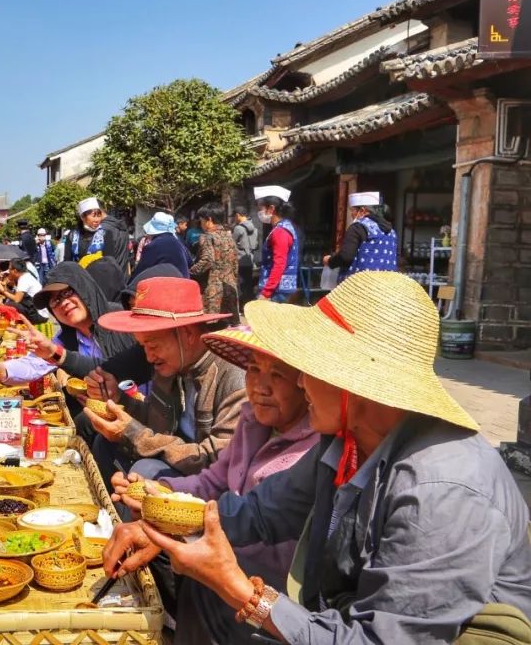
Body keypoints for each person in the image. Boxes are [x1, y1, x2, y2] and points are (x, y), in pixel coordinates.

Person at [104, 272, 531, 644]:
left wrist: (239, 589)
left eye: (307, 368)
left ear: (353, 383)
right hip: (340, 610)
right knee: (205, 594)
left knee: (221, 596)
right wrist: (160, 524)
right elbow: (260, 512)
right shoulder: (345, 442)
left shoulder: (440, 492)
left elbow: (378, 639)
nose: (301, 382)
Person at [111, 326, 317, 640]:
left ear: (306, 385)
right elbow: (212, 481)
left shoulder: (312, 450)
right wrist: (162, 493)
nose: (260, 387)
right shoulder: (253, 422)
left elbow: (257, 523)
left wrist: (175, 525)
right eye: (253, 369)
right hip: (220, 540)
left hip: (266, 581)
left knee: (182, 563)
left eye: (277, 375)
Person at [86, 277, 245, 482]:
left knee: (146, 470)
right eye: (144, 347)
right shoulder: (172, 366)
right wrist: (118, 399)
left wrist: (133, 434)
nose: (149, 357)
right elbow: (155, 419)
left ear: (187, 334)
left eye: (153, 346)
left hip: (211, 483)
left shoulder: (233, 376)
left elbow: (218, 460)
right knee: (104, 444)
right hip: (176, 458)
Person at [0, 262, 135, 388]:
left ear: (84, 289)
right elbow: (34, 364)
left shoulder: (122, 321)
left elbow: (123, 370)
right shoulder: (66, 337)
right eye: (55, 301)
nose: (64, 303)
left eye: (67, 293)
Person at [323, 191, 398, 282]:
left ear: (362, 211)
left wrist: (330, 261)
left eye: (352, 211)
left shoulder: (358, 227)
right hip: (385, 287)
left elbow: (345, 257)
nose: (351, 214)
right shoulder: (391, 232)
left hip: (361, 287)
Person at [190, 202, 240, 324]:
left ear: (209, 220)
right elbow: (235, 263)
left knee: (211, 327)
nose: (201, 224)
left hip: (212, 290)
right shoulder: (228, 236)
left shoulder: (208, 236)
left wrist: (190, 272)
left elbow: (207, 260)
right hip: (230, 288)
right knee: (227, 327)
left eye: (202, 220)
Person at [254, 185, 300, 303]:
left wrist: (266, 293)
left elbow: (279, 263)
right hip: (280, 287)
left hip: (276, 291)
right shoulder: (285, 226)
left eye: (261, 208)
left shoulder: (280, 232)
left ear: (271, 209)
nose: (259, 212)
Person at [65, 197, 130, 273]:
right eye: (93, 216)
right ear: (82, 217)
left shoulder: (105, 234)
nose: (97, 220)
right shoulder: (72, 235)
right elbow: (67, 261)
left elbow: (109, 262)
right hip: (77, 279)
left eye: (99, 216)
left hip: (99, 279)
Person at [134, 212, 191, 279]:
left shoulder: (152, 246)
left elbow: (140, 272)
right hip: (184, 284)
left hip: (166, 286)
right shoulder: (179, 243)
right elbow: (189, 262)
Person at [0, 259, 48, 324]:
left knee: (8, 306)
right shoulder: (25, 276)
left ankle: (7, 325)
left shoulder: (24, 279)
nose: (9, 272)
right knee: (9, 304)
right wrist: (5, 288)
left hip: (39, 314)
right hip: (32, 308)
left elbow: (17, 299)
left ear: (15, 271)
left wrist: (3, 291)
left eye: (10, 269)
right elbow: (15, 296)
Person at [230, 205, 259, 308]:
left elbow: (231, 243)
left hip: (240, 260)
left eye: (234, 216)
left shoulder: (238, 228)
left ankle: (242, 306)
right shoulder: (254, 228)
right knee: (248, 284)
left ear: (238, 215)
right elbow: (256, 245)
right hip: (250, 260)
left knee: (240, 285)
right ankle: (250, 306)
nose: (234, 219)